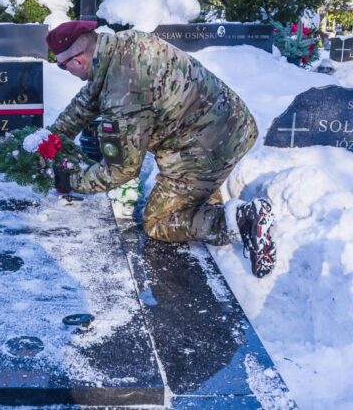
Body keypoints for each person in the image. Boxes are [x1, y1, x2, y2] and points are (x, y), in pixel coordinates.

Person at [47, 20, 276, 278]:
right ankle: (201, 197)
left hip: (207, 146)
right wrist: (50, 140)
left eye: (62, 65)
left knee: (159, 222)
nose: (65, 70)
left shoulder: (123, 94)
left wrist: (72, 180)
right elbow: (88, 99)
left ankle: (243, 220)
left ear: (77, 61)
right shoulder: (119, 47)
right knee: (183, 199)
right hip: (224, 120)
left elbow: (122, 170)